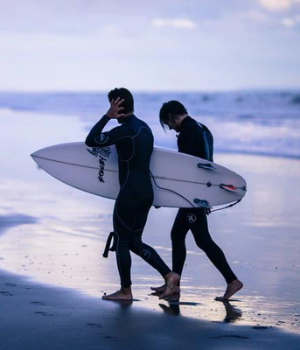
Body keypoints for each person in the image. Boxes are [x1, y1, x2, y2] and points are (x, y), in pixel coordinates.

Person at [85, 88, 179, 301]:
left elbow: (91, 140)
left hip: (130, 193)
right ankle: (169, 275)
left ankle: (126, 291)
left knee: (122, 242)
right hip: (146, 192)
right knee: (135, 242)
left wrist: (107, 117)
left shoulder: (124, 130)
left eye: (111, 105)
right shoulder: (145, 129)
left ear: (116, 106)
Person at [151, 100, 243, 301]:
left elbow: (186, 170)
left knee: (202, 240)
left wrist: (168, 196)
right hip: (200, 193)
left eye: (168, 123)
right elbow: (208, 164)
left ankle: (232, 280)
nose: (170, 128)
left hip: (193, 196)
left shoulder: (187, 132)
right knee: (179, 235)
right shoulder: (202, 129)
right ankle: (174, 283)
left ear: (172, 116)